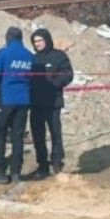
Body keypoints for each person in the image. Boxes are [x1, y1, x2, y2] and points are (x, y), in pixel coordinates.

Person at [0, 26, 34, 184]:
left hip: (5, 99)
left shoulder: (3, 53)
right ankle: (16, 172)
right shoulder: (29, 56)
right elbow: (32, 78)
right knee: (17, 137)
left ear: (8, 38)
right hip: (23, 100)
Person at [28, 27, 74, 178]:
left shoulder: (59, 56)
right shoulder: (32, 59)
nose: (38, 44)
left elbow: (68, 74)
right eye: (35, 42)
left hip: (53, 102)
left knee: (55, 134)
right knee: (38, 135)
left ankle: (57, 163)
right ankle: (42, 166)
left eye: (40, 40)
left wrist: (53, 84)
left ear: (47, 40)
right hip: (35, 103)